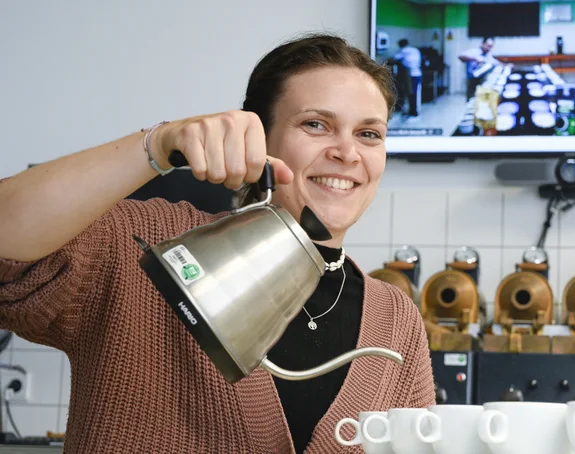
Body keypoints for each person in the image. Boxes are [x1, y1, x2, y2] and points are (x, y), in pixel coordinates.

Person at [0, 33, 435, 453]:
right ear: (260, 138)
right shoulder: (146, 246)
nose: (347, 152)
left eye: (369, 134)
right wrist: (157, 144)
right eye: (316, 124)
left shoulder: (395, 319)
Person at [391, 39, 423, 118]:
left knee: (410, 92)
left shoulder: (403, 50)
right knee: (414, 93)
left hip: (410, 75)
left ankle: (413, 111)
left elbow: (393, 59)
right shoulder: (415, 50)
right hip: (418, 73)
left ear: (401, 45)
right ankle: (413, 110)